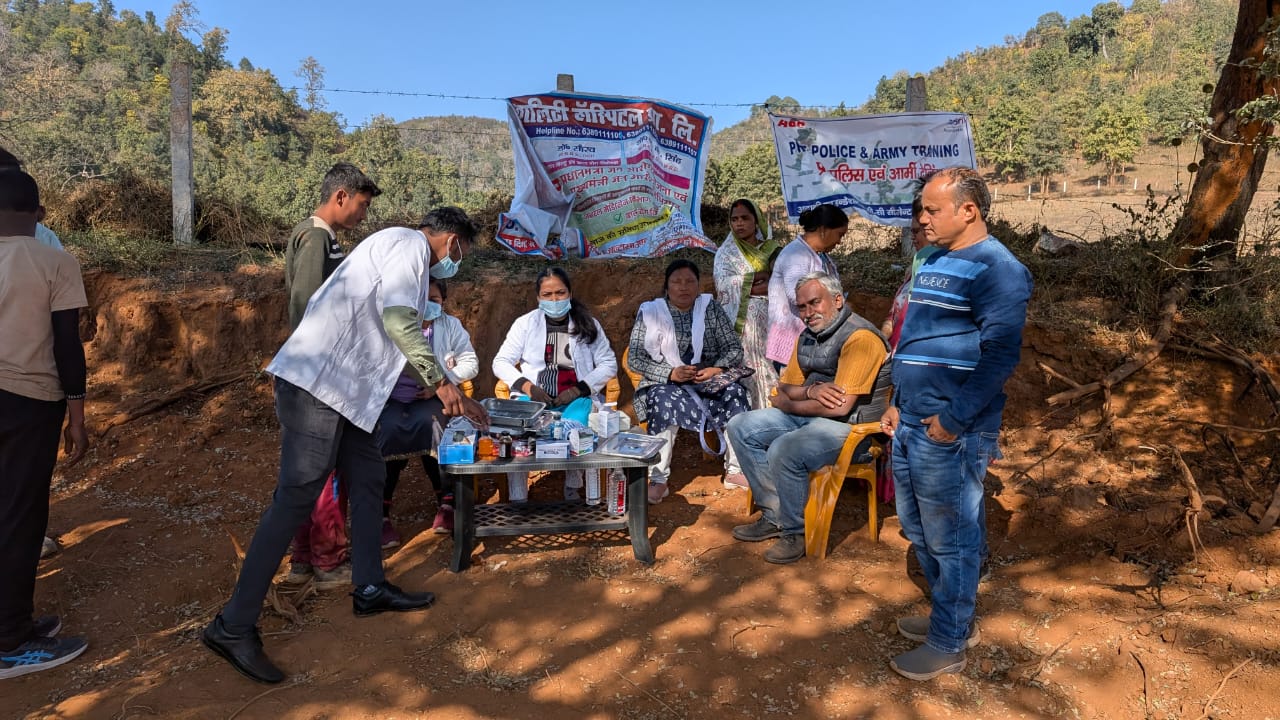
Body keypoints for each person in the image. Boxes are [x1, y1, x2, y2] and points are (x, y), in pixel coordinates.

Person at [202, 207, 488, 685]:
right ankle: (232, 626)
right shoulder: (410, 247)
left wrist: (448, 385)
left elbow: (391, 333)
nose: (456, 261)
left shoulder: (398, 252)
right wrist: (442, 384)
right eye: (461, 252)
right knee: (296, 497)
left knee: (370, 473)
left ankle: (370, 586)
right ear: (453, 241)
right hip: (319, 386)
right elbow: (399, 323)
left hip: (348, 394)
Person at [880, 167, 1032, 681]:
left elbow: (999, 356)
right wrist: (898, 400)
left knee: (953, 538)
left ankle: (949, 641)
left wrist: (952, 420)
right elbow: (914, 340)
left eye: (932, 209)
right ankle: (951, 620)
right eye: (922, 209)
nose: (922, 219)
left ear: (969, 210)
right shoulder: (935, 260)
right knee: (918, 529)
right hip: (910, 420)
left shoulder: (999, 269)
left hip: (950, 430)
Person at [726, 272, 890, 565]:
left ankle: (795, 532)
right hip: (811, 417)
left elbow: (839, 408)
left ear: (837, 300)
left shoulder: (861, 338)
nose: (808, 312)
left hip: (854, 430)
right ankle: (775, 515)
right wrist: (810, 391)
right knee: (740, 426)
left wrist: (791, 402)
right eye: (801, 307)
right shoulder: (807, 336)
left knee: (784, 448)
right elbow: (783, 388)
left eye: (815, 302)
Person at [0, 167, 91, 679]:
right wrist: (77, 416)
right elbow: (67, 346)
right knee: (20, 518)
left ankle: (13, 621)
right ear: (38, 214)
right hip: (28, 403)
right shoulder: (55, 262)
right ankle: (10, 642)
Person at [282, 163, 381, 589]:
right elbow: (306, 306)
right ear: (341, 196)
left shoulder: (320, 237)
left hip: (313, 373)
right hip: (318, 377)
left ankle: (304, 559)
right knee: (325, 473)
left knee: (307, 471)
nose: (364, 214)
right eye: (362, 204)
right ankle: (328, 561)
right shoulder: (317, 238)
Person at [628, 259, 750, 504]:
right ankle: (658, 479)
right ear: (666, 287)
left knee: (736, 393)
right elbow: (635, 358)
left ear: (698, 285)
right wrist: (670, 373)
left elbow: (733, 349)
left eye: (690, 281)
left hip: (709, 379)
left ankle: (735, 470)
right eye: (676, 282)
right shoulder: (651, 312)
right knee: (661, 401)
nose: (683, 287)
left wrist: (716, 369)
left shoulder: (710, 308)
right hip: (666, 383)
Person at [493, 267, 617, 503]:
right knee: (519, 437)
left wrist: (578, 390)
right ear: (538, 298)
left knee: (578, 431)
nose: (554, 300)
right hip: (533, 400)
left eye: (560, 293)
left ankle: (573, 485)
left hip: (575, 399)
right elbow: (501, 362)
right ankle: (518, 496)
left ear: (570, 293)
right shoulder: (525, 324)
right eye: (547, 295)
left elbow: (608, 363)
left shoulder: (588, 324)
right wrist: (528, 388)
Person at [2, 146, 70, 560]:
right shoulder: (43, 239)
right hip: (29, 387)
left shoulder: (44, 240)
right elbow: (65, 330)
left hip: (29, 378)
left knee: (22, 478)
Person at [378, 276, 479, 543]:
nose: (428, 306)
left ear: (443, 302)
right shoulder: (394, 326)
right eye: (421, 300)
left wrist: (441, 383)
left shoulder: (450, 325)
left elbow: (470, 362)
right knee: (388, 430)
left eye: (434, 300)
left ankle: (447, 502)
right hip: (390, 399)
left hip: (431, 399)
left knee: (434, 425)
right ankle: (380, 514)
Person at [714, 198, 780, 423]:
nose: (739, 223)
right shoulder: (726, 254)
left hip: (768, 327)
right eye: (734, 219)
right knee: (744, 372)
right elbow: (722, 286)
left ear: (757, 220)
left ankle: (771, 419)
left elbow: (775, 284)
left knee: (769, 369)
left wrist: (751, 283)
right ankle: (745, 421)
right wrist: (757, 278)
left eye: (745, 218)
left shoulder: (772, 251)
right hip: (738, 330)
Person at [764, 204, 849, 369]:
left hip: (811, 342)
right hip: (793, 342)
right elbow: (798, 296)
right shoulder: (796, 255)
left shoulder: (820, 256)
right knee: (794, 385)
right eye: (839, 235)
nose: (839, 242)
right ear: (823, 230)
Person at [882, 195, 940, 352]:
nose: (912, 237)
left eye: (916, 231)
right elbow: (895, 313)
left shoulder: (928, 258)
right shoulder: (914, 267)